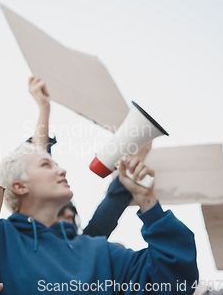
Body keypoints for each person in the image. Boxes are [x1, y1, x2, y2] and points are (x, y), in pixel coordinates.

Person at [0, 143, 198, 294]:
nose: (62, 170)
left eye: (57, 164)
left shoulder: (100, 252)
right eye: (46, 165)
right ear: (20, 186)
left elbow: (175, 280)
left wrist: (146, 198)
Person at [27, 76, 152, 237]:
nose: (71, 215)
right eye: (61, 212)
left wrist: (137, 156)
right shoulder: (29, 240)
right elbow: (38, 159)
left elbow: (110, 207)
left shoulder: (86, 247)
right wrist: (44, 108)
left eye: (70, 211)